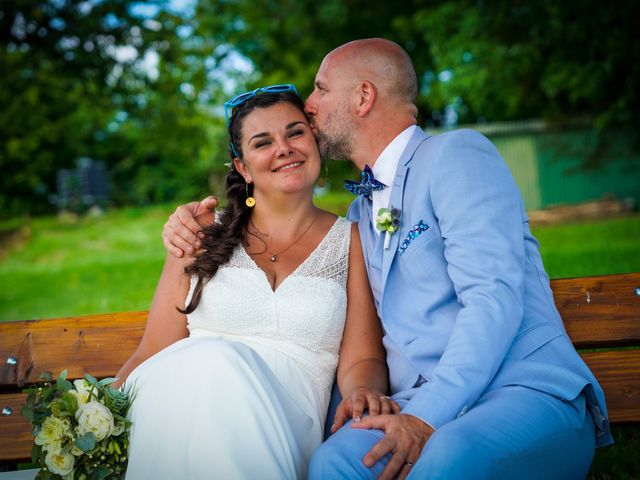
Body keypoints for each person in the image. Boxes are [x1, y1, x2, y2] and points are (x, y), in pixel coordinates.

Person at [163, 39, 613, 479]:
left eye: (320, 89)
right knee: (334, 464)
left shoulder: (455, 156)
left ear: (363, 97)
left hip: (518, 390)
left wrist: (426, 418)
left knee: (448, 460)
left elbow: (493, 299)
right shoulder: (360, 213)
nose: (310, 105)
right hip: (414, 402)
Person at [115, 87, 397, 480]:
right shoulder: (199, 234)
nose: (284, 148)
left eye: (295, 133)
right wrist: (97, 413)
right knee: (214, 359)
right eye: (263, 142)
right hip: (185, 408)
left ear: (314, 142)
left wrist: (360, 391)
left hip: (288, 422)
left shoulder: (350, 240)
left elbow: (362, 358)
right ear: (243, 167)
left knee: (219, 360)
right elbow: (154, 352)